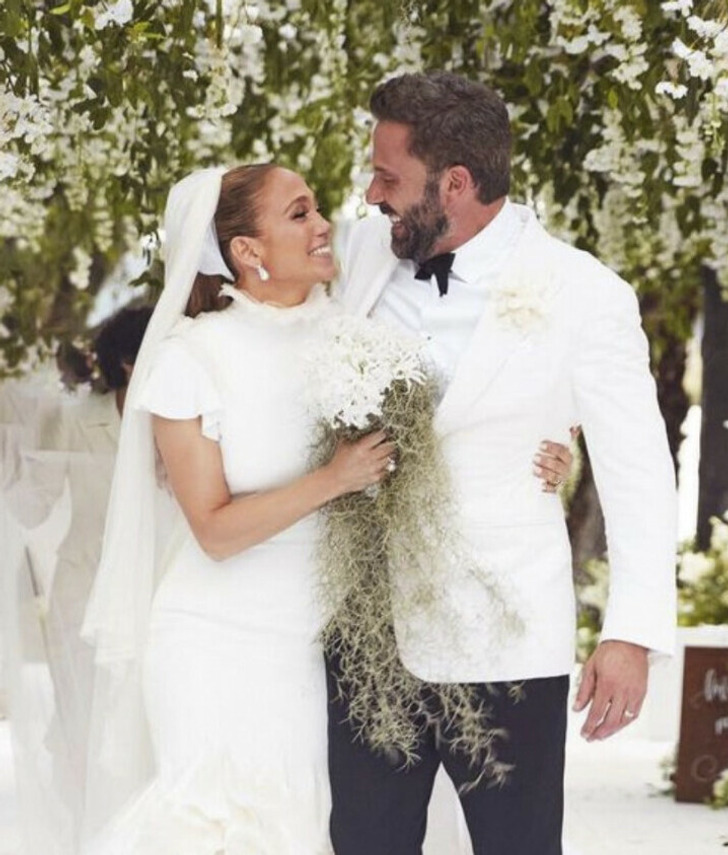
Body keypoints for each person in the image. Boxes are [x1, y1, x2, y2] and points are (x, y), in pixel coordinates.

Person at [78, 164, 575, 854]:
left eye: (316, 209)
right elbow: (214, 529)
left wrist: (545, 450)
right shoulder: (190, 359)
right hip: (218, 641)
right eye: (299, 214)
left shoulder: (353, 330)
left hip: (323, 645)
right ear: (247, 250)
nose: (322, 226)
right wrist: (334, 478)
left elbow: (449, 421)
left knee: (309, 826)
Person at [328, 70, 677, 855]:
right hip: (371, 633)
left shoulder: (586, 294)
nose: (372, 193)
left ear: (454, 183)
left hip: (508, 634)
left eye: (388, 177)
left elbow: (638, 472)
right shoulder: (362, 252)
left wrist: (630, 633)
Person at [0, 307, 152, 855]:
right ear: (128, 363)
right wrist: (11, 455)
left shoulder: (177, 417)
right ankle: (85, 836)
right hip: (82, 592)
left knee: (142, 726)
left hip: (154, 595)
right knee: (81, 725)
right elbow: (34, 507)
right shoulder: (74, 419)